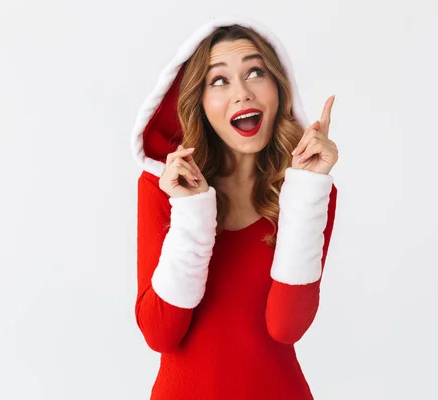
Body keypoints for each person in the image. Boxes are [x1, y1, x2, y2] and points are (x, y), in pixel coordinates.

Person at [130, 15, 339, 400]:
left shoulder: (306, 191)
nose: (241, 92)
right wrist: (191, 213)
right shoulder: (163, 187)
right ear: (200, 102)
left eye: (255, 72)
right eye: (219, 80)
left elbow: (286, 326)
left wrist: (308, 189)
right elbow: (160, 333)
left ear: (279, 89)